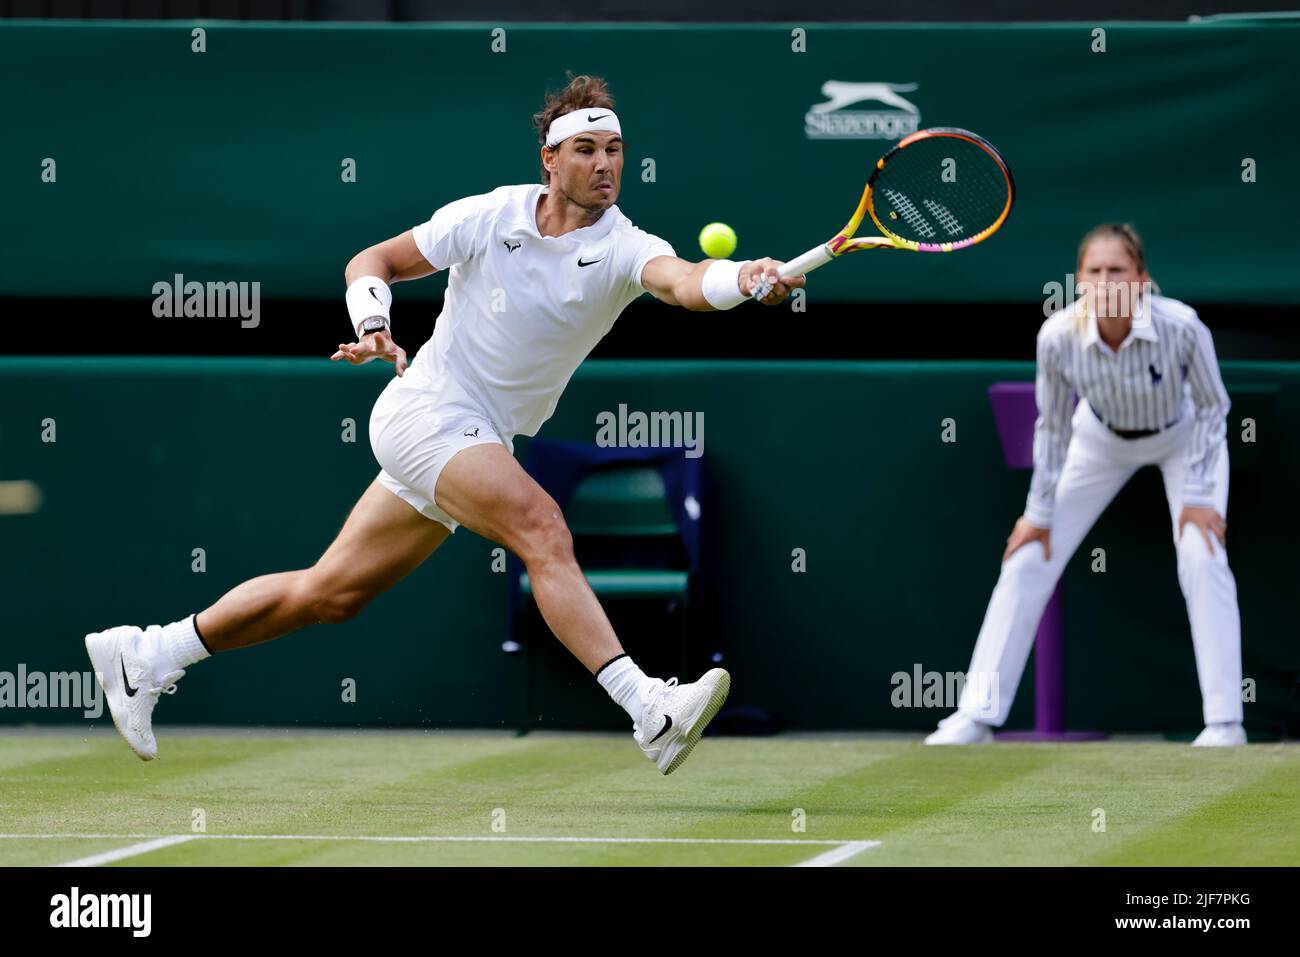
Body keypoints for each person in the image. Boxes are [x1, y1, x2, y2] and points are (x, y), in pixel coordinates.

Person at [85, 73, 805, 775]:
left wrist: (743, 279)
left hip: (476, 436)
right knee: (542, 527)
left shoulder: (625, 245)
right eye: (586, 150)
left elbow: (685, 282)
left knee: (330, 593)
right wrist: (373, 323)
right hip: (426, 409)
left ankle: (149, 653)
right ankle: (646, 705)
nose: (605, 164)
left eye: (614, 149)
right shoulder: (490, 216)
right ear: (549, 160)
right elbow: (375, 261)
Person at [926, 223, 1245, 747]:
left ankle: (1225, 723)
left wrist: (1199, 497)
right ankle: (976, 717)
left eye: (1117, 269)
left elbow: (1213, 409)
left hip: (1182, 439)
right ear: (1079, 281)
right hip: (1098, 441)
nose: (1105, 280)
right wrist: (1039, 512)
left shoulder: (1184, 326)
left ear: (1142, 279)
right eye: (1093, 271)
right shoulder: (1056, 337)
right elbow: (1051, 427)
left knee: (1201, 552)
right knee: (1027, 557)